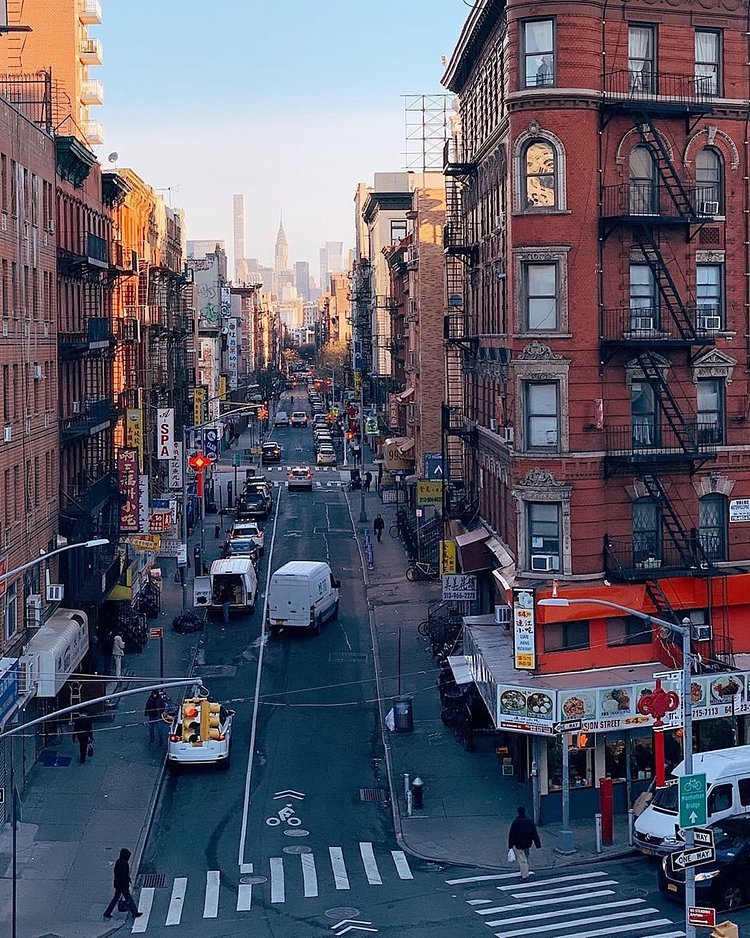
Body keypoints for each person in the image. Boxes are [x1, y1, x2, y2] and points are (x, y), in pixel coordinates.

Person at [103, 848, 142, 919]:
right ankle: (134, 912)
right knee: (128, 898)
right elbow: (123, 876)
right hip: (122, 885)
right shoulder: (123, 864)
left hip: (118, 884)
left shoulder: (119, 862)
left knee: (116, 898)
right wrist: (126, 884)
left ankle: (107, 912)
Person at [507, 806, 541, 880]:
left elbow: (512, 835)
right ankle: (525, 870)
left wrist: (510, 846)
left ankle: (525, 876)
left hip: (518, 844)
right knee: (526, 857)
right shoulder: (529, 822)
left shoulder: (516, 822)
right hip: (528, 844)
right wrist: (537, 844)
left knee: (522, 860)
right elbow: (534, 833)